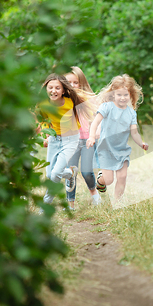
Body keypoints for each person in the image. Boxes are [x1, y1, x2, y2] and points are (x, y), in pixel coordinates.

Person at [86, 74, 148, 201]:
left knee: (122, 177)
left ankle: (117, 202)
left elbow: (134, 132)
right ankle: (101, 179)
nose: (122, 98)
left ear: (130, 95)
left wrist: (141, 143)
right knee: (108, 180)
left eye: (126, 95)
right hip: (106, 149)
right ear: (113, 94)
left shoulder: (131, 113)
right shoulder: (107, 107)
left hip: (122, 150)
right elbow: (95, 122)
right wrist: (92, 137)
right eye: (119, 94)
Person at [36, 73, 92, 205]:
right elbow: (43, 121)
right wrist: (45, 136)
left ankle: (45, 206)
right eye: (50, 87)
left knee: (55, 174)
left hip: (71, 140)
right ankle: (70, 173)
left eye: (57, 88)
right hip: (54, 140)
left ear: (63, 90)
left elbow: (86, 107)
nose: (53, 91)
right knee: (50, 175)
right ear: (46, 89)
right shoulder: (43, 104)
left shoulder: (71, 101)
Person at [64, 66, 101, 208]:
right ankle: (70, 204)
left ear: (81, 83)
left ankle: (94, 194)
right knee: (70, 173)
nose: (72, 86)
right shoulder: (62, 101)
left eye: (76, 82)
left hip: (87, 140)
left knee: (86, 171)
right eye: (68, 83)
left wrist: (96, 131)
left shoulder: (89, 98)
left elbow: (98, 116)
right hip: (71, 141)